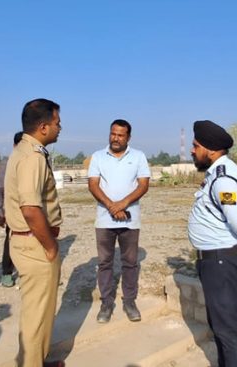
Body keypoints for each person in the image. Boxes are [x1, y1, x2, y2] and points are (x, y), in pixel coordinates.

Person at [187, 120, 237, 367]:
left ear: (210, 150)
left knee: (229, 330)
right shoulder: (217, 173)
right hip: (217, 260)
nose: (192, 150)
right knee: (222, 327)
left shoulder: (222, 179)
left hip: (221, 262)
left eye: (196, 145)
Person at [4, 99, 64, 367]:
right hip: (34, 244)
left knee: (39, 311)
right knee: (36, 314)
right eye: (57, 123)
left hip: (28, 241)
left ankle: (36, 360)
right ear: (43, 127)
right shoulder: (32, 158)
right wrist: (50, 246)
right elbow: (30, 209)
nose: (60, 128)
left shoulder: (24, 151)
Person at [88, 119, 150, 323]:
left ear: (128, 137)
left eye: (120, 135)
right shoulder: (98, 157)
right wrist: (111, 206)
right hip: (105, 221)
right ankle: (106, 303)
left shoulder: (139, 157)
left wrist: (122, 204)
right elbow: (93, 185)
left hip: (130, 222)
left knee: (130, 263)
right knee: (104, 263)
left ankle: (129, 302)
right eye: (113, 133)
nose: (115, 138)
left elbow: (143, 185)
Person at [0, 131, 23, 288]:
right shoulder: (7, 163)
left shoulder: (35, 161)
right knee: (11, 240)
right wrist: (0, 211)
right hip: (12, 210)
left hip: (30, 209)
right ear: (14, 146)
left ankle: (28, 272)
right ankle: (7, 272)